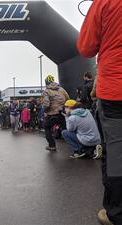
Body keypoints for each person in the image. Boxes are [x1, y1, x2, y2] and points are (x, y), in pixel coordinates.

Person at [78, 0, 122, 224]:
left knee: (116, 155)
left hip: (116, 91)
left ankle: (116, 213)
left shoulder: (105, 2)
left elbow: (86, 47)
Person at [43, 74, 70, 151]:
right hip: (62, 113)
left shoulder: (47, 91)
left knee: (47, 127)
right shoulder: (61, 89)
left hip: (52, 113)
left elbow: (46, 104)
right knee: (65, 129)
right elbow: (68, 98)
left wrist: (45, 111)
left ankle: (52, 145)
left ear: (46, 82)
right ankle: (73, 146)